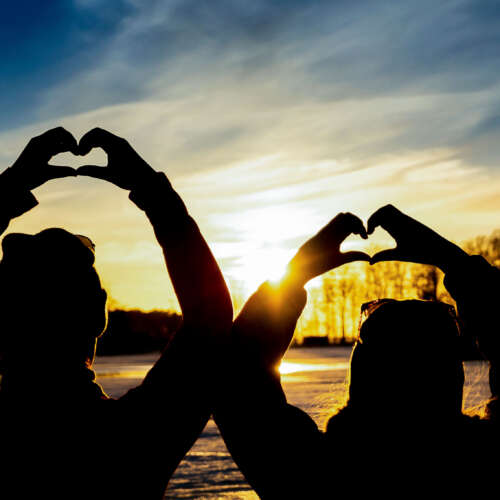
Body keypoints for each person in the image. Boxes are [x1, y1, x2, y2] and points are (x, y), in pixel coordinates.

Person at [0, 127, 233, 499]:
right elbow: (211, 321)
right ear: (99, 314)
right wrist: (153, 193)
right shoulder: (132, 438)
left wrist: (8, 191)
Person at [214, 206, 499, 498]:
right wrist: (456, 264)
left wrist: (292, 277)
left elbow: (238, 382)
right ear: (453, 375)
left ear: (362, 372)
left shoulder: (311, 473)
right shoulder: (486, 465)